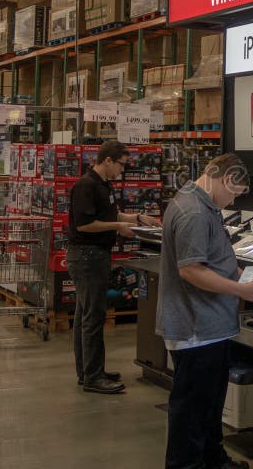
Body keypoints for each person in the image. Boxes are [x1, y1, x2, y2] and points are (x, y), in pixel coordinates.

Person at [157, 153, 253, 469]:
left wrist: (240, 274)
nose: (233, 202)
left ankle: (213, 460)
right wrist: (240, 290)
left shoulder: (201, 204)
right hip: (196, 328)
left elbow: (211, 259)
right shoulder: (194, 212)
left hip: (209, 326)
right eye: (234, 193)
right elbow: (191, 270)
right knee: (191, 411)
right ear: (225, 178)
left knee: (209, 404)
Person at [67, 139, 160, 394]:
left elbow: (109, 215)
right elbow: (84, 225)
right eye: (120, 164)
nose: (122, 170)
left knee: (85, 316)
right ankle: (93, 377)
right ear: (108, 160)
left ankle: (88, 371)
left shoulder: (103, 184)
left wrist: (137, 218)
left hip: (95, 255)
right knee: (93, 317)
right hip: (87, 256)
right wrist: (119, 227)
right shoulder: (85, 185)